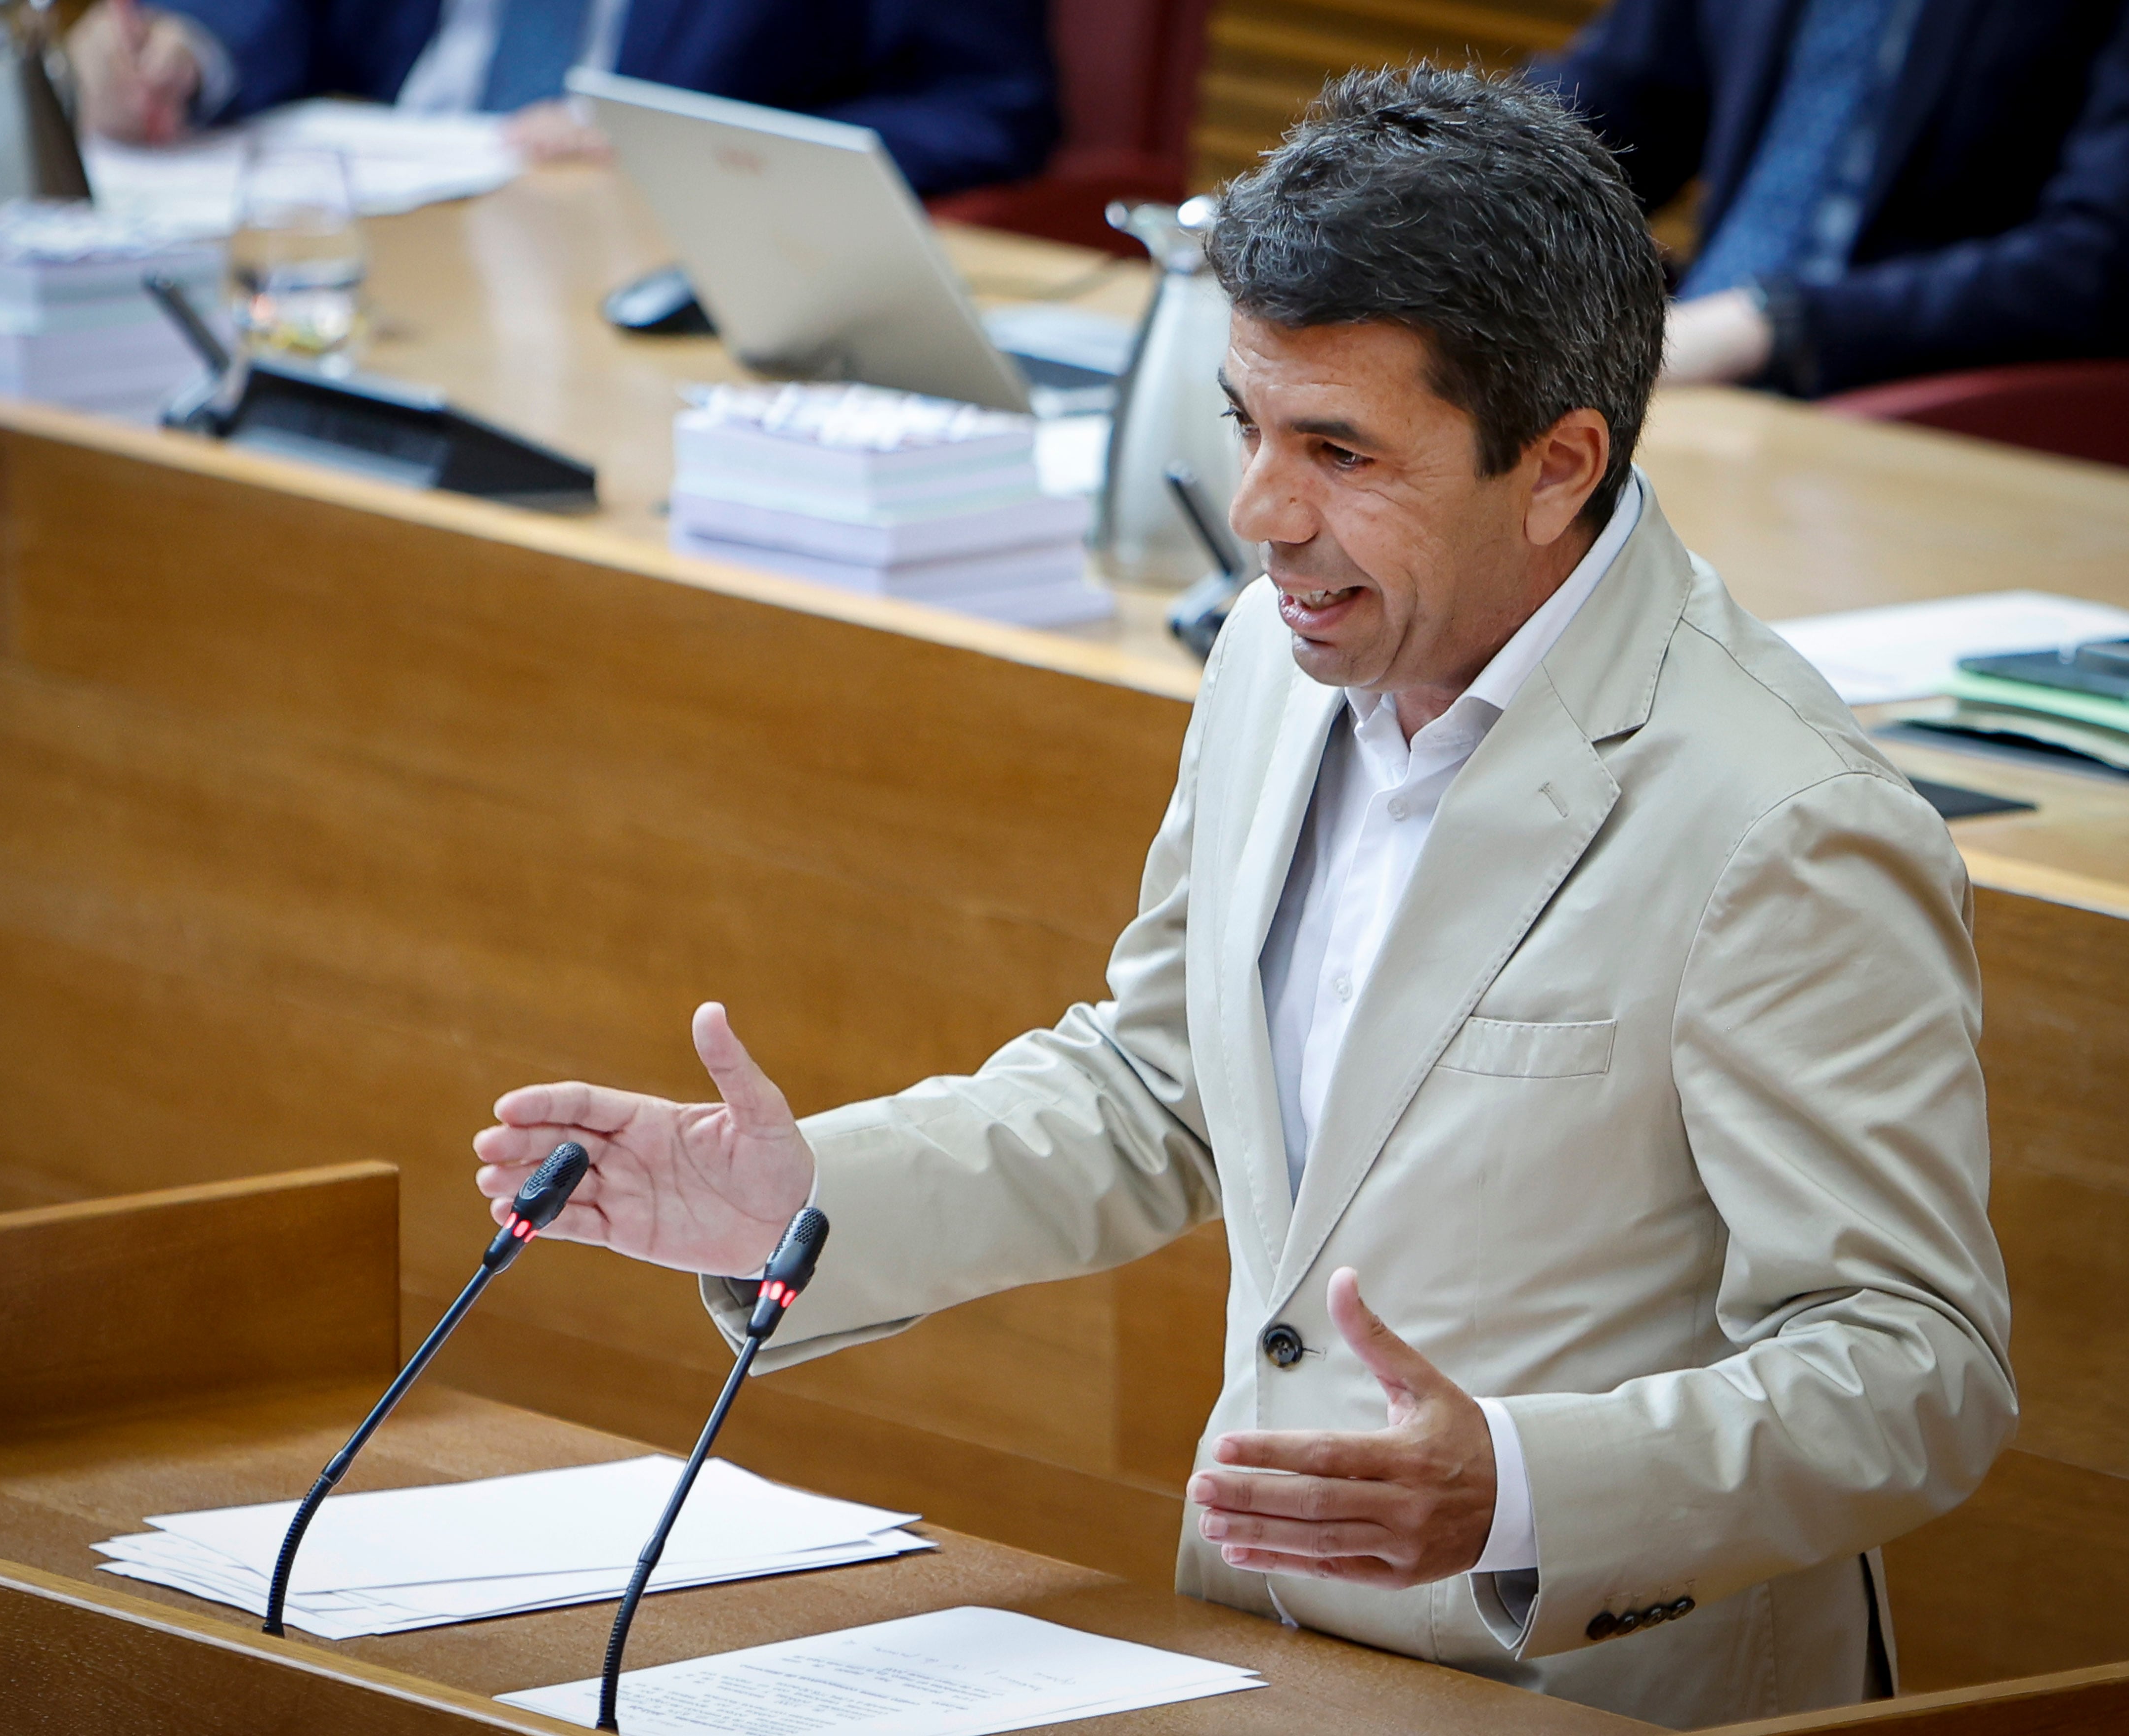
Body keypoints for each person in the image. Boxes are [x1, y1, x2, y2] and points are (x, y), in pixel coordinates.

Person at [470, 67, 2014, 1729]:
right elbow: (1162, 1089)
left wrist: (1518, 1486)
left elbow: (1915, 1364)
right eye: (1247, 429)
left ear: (1558, 463)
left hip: (1589, 1689)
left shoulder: (1780, 821)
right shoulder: (1286, 665)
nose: (1263, 517)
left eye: (1339, 451)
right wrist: (801, 1206)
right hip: (1264, 1660)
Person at [1528, 0, 2129, 394]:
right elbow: (1591, 122)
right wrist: (1450, 179)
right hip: (1687, 379)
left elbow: (2096, 268)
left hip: (1932, 413)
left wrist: (1777, 326)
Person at [66, 0, 1058, 196]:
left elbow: (988, 102)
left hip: (628, 244)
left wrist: (700, 154)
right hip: (362, 217)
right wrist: (190, 49)